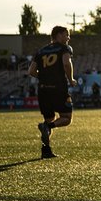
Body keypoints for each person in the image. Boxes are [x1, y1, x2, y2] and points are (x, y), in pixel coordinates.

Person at [28, 25, 77, 159]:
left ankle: (46, 150)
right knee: (66, 118)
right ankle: (48, 126)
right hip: (58, 88)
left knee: (49, 119)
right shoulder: (64, 48)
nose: (68, 38)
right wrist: (71, 79)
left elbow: (31, 71)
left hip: (43, 90)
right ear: (59, 35)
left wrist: (43, 77)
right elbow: (66, 63)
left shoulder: (41, 51)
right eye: (66, 34)